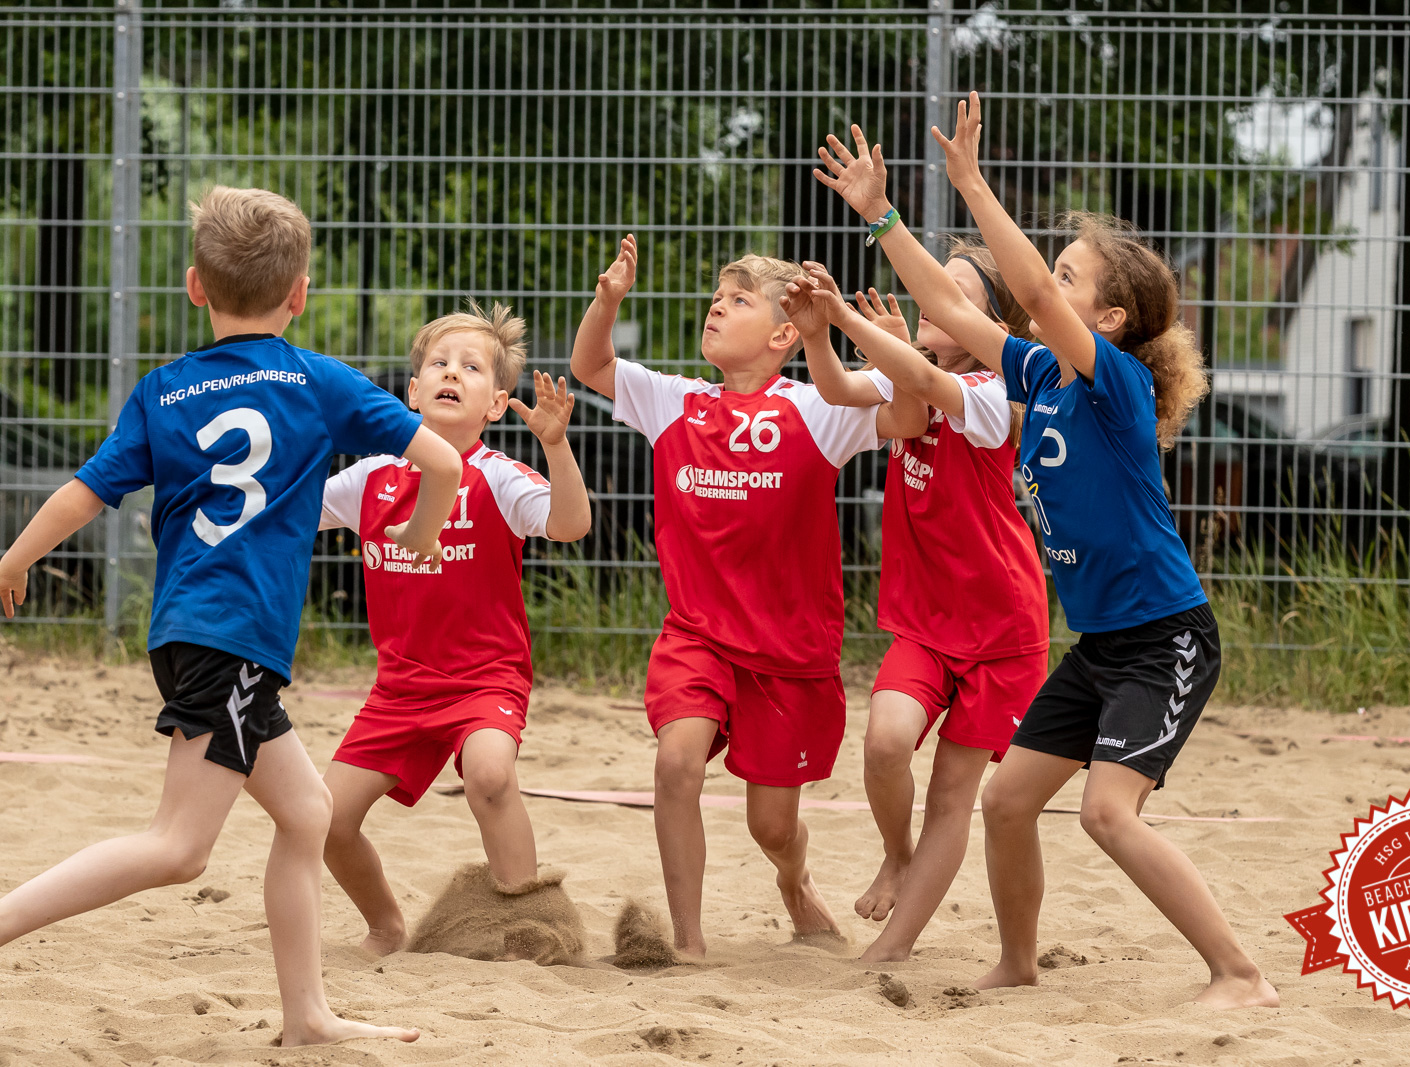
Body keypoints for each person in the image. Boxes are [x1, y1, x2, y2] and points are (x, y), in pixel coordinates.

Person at [814, 104, 1278, 1008]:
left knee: (1107, 812)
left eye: (1068, 277)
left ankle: (1240, 972)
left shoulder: (1116, 385)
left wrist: (971, 183)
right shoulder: (1035, 376)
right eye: (1054, 271)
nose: (1046, 287)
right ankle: (1019, 961)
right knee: (1006, 800)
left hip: (1166, 640)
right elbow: (950, 306)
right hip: (1102, 645)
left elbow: (1022, 288)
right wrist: (880, 217)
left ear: (1109, 316)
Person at [0, 186, 459, 1043]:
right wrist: (421, 535)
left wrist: (15, 558)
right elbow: (445, 463)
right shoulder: (318, 381)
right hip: (234, 639)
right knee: (179, 847)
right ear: (301, 294)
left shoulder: (164, 390)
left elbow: (83, 493)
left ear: (194, 286)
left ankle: (307, 1015)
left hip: (188, 631)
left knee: (308, 813)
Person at [569, 235, 926, 957]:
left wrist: (887, 351)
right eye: (716, 297)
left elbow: (910, 420)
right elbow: (591, 367)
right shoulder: (675, 401)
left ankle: (795, 879)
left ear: (783, 334)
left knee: (772, 826)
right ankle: (690, 942)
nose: (717, 307)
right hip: (696, 635)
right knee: (676, 762)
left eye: (738, 300)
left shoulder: (818, 405)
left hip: (789, 653)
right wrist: (606, 303)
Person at [778, 254, 1048, 964]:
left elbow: (926, 387)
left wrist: (851, 320)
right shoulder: (914, 368)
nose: (929, 296)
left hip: (1001, 628)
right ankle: (896, 854)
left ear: (991, 323)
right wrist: (819, 334)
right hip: (927, 620)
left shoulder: (993, 391)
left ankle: (892, 949)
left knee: (955, 796)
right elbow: (839, 388)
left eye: (952, 291)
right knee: (885, 743)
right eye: (930, 283)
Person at [317, 303, 591, 955]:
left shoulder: (497, 477)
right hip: (399, 691)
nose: (450, 373)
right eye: (439, 363)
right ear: (412, 392)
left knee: (490, 775)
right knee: (325, 820)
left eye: (470, 367)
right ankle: (386, 926)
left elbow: (572, 524)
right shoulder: (371, 478)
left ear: (495, 403)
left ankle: (533, 927)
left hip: (484, 680)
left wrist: (556, 445)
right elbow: (284, 515)